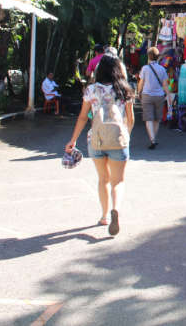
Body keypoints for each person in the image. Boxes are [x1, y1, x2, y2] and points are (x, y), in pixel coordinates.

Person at [65, 55, 134, 236]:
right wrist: (125, 136)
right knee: (118, 181)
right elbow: (131, 119)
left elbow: (82, 117)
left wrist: (72, 140)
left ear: (99, 70)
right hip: (118, 140)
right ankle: (116, 210)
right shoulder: (125, 89)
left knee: (103, 179)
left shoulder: (91, 90)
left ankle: (104, 216)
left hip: (95, 140)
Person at [137, 47, 168, 149]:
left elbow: (141, 82)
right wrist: (168, 95)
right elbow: (165, 85)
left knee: (148, 118)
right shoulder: (162, 69)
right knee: (157, 119)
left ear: (149, 57)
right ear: (158, 57)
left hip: (147, 95)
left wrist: (138, 92)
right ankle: (153, 138)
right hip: (159, 96)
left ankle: (152, 139)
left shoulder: (145, 68)